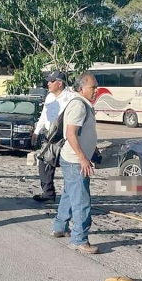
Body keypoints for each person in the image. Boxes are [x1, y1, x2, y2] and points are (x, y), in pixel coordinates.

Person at [51, 73, 100, 254]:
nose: (96, 91)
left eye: (96, 87)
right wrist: (83, 158)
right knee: (81, 200)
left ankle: (59, 226)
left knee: (69, 194)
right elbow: (71, 134)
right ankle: (79, 239)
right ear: (81, 88)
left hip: (73, 158)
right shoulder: (79, 105)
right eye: (93, 88)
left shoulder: (82, 104)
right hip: (75, 160)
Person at [32, 70, 75, 203]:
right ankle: (48, 194)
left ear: (60, 83)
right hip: (50, 137)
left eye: (51, 81)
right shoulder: (49, 97)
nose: (48, 83)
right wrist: (36, 132)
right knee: (44, 163)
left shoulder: (71, 98)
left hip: (65, 137)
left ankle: (71, 196)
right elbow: (44, 116)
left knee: (68, 166)